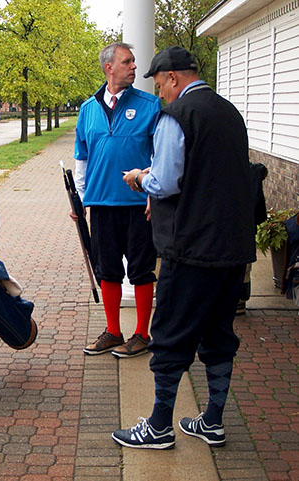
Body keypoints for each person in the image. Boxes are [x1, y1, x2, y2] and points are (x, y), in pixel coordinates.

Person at [113, 46, 256, 449]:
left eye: (160, 86)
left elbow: (166, 182)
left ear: (173, 78)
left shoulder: (177, 116)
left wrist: (141, 178)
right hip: (232, 249)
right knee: (218, 333)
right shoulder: (231, 112)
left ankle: (158, 427)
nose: (160, 94)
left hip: (190, 247)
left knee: (171, 334)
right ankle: (213, 419)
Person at [73, 42, 161, 358]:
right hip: (101, 205)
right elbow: (81, 158)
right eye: (127, 62)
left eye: (134, 62)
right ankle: (113, 331)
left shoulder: (150, 106)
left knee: (141, 270)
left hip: (139, 205)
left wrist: (155, 193)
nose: (134, 67)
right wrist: (81, 201)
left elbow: (159, 156)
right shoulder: (88, 109)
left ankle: (141, 334)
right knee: (107, 270)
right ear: (109, 67)